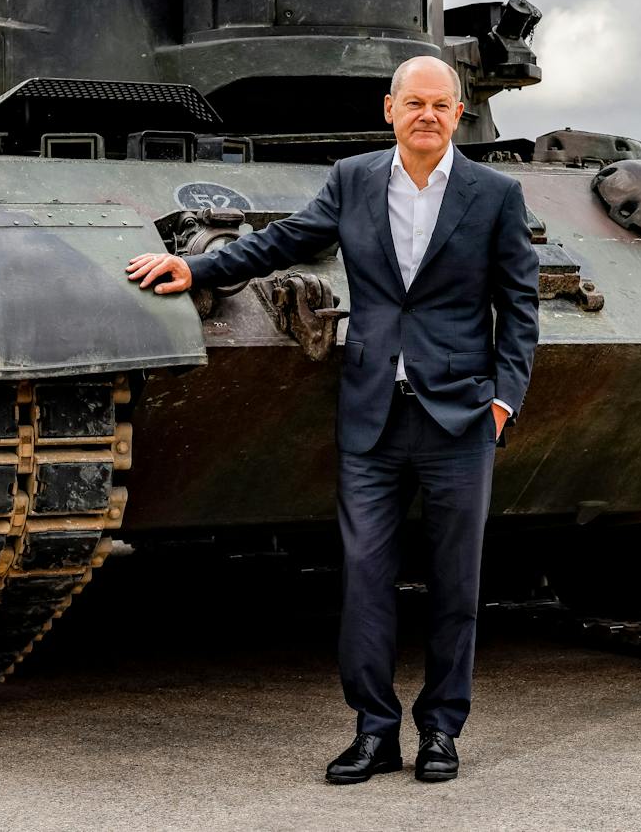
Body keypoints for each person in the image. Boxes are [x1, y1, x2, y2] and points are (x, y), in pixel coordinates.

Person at [124, 55, 539, 785]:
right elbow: (284, 239)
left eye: (442, 105)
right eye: (415, 102)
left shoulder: (494, 194)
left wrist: (503, 401)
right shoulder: (353, 179)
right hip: (373, 417)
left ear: (460, 112)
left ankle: (442, 729)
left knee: (455, 584)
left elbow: (521, 306)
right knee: (365, 580)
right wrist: (197, 268)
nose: (428, 116)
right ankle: (374, 730)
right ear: (390, 109)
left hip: (459, 420)